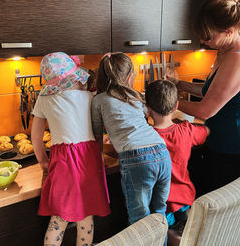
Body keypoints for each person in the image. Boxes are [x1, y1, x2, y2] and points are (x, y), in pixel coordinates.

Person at [167, 0, 240, 246]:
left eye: (208, 35)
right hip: (224, 147)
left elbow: (206, 110)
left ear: (230, 30)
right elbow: (211, 92)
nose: (203, 40)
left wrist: (166, 104)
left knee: (236, 220)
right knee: (224, 218)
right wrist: (178, 84)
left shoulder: (238, 59)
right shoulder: (227, 50)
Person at [31, 52, 110, 246]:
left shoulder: (44, 98)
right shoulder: (88, 96)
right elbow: (97, 132)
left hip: (63, 161)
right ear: (75, 76)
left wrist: (43, 162)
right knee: (86, 216)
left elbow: (36, 137)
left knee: (59, 219)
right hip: (89, 159)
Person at [91, 52, 171, 230]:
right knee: (159, 213)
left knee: (139, 219)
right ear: (129, 76)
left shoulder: (98, 100)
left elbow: (96, 136)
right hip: (162, 152)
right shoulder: (135, 96)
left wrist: (100, 160)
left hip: (137, 159)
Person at [145, 80, 209, 245]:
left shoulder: (146, 137)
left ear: (148, 108)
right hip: (185, 198)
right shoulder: (186, 130)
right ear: (176, 107)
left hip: (161, 203)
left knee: (167, 237)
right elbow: (206, 131)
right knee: (187, 236)